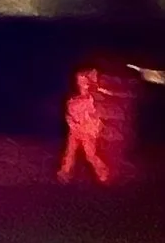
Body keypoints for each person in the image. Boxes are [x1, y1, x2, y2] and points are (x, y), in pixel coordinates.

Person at [59, 59, 142, 188]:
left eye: (84, 82)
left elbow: (100, 108)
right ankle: (65, 175)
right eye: (81, 81)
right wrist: (72, 122)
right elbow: (71, 114)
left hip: (87, 130)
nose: (82, 84)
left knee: (91, 154)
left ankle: (104, 175)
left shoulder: (93, 98)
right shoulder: (75, 101)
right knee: (70, 152)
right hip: (76, 129)